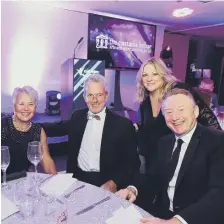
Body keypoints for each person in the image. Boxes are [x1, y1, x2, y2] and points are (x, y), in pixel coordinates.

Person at [117, 88, 224, 224]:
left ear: (195, 111)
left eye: (181, 109)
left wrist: (177, 221)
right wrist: (132, 189)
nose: (175, 117)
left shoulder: (217, 141)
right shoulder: (164, 142)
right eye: (169, 112)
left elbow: (219, 194)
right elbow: (151, 177)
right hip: (162, 215)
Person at [41, 74, 139, 192]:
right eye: (90, 95)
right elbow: (57, 128)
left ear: (106, 96)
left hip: (105, 183)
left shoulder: (123, 125)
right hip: (77, 179)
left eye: (99, 95)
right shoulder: (77, 116)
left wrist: (115, 181)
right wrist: (30, 125)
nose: (95, 100)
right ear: (84, 97)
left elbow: (132, 162)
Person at [136, 57, 221, 171]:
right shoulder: (145, 103)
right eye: (145, 75)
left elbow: (207, 118)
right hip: (156, 164)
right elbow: (148, 132)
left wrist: (218, 148)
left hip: (184, 159)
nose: (149, 79)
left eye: (155, 74)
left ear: (163, 74)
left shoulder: (179, 91)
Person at [1, 86, 57, 175]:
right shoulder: (2, 126)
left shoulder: (38, 131)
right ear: (14, 106)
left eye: (31, 104)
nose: (26, 108)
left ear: (35, 107)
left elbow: (47, 162)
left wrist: (57, 182)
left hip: (22, 181)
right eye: (21, 104)